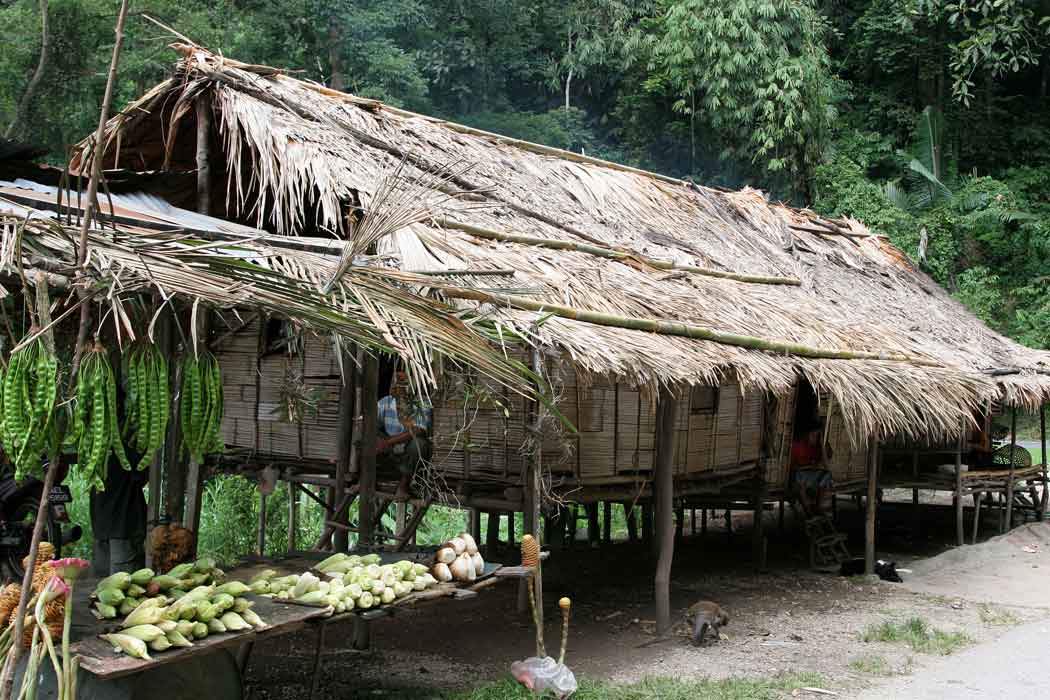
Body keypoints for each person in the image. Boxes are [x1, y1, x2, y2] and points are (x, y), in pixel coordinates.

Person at [377, 370, 432, 501]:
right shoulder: (386, 401)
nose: (397, 385)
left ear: (412, 385)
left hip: (408, 450)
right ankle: (364, 478)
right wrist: (377, 438)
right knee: (365, 435)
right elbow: (368, 421)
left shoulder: (422, 402)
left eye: (402, 382)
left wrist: (389, 442)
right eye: (395, 382)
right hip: (389, 449)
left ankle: (403, 485)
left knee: (420, 444)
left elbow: (419, 430)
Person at [90, 455, 148, 577]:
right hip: (123, 526)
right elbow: (142, 475)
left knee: (103, 582)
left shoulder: (99, 447)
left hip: (101, 525)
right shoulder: (131, 449)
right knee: (123, 583)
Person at [789, 417, 833, 516]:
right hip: (800, 477)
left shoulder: (820, 447)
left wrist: (822, 444)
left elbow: (826, 466)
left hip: (812, 477)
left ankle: (818, 506)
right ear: (806, 434)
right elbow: (792, 468)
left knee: (827, 475)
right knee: (797, 476)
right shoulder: (797, 446)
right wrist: (808, 466)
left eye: (818, 436)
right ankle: (808, 511)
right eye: (813, 435)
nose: (815, 438)